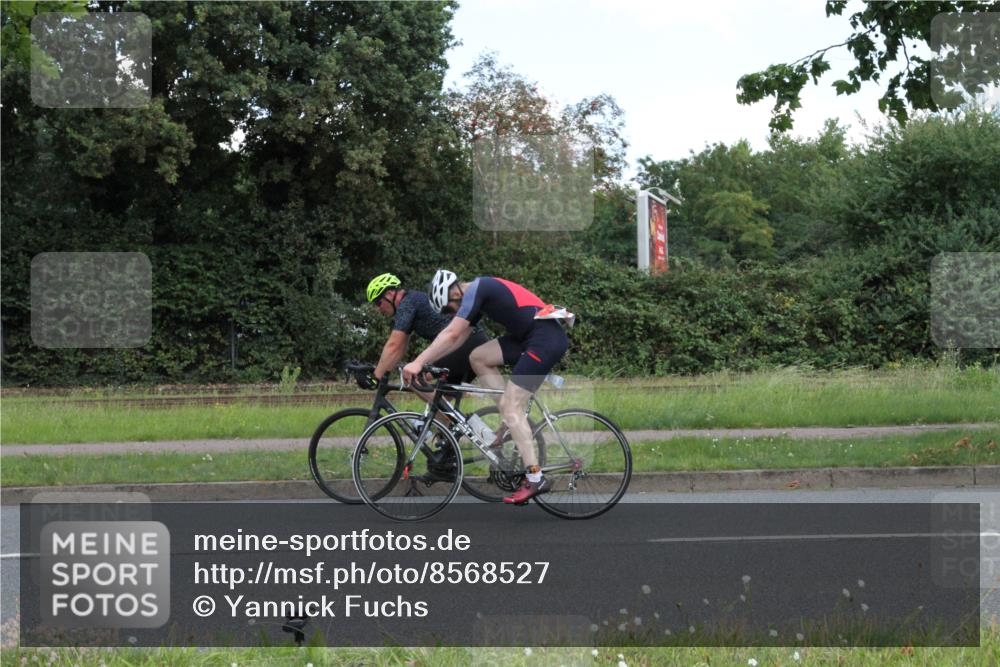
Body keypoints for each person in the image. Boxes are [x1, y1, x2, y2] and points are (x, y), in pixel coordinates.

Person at [402, 270, 570, 505]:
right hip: (528, 337)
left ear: (454, 292)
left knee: (512, 408)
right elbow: (458, 338)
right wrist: (429, 364)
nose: (453, 313)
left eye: (450, 308)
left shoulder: (479, 289)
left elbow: (451, 334)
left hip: (544, 339)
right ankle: (509, 415)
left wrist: (417, 362)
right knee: (479, 357)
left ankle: (535, 477)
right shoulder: (476, 295)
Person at [365, 273, 488, 390]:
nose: (379, 309)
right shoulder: (412, 300)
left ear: (390, 293)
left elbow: (394, 345)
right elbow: (400, 349)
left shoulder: (407, 304)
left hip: (463, 343)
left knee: (412, 377)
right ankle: (447, 413)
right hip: (472, 341)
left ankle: (442, 413)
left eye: (378, 302)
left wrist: (375, 377)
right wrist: (382, 371)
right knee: (443, 399)